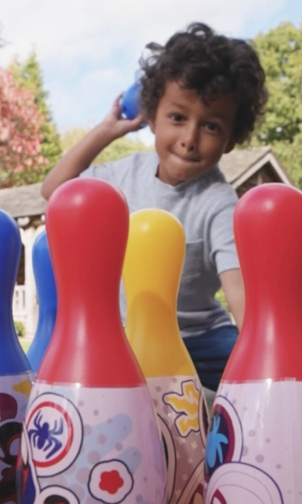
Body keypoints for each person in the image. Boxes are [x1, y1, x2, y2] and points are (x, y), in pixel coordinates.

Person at [41, 22, 267, 392]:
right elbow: (55, 192)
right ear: (151, 118)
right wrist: (108, 130)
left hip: (198, 338)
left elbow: (239, 292)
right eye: (177, 118)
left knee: (254, 367)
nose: (189, 139)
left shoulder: (220, 203)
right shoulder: (123, 175)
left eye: (211, 127)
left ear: (230, 139)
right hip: (127, 334)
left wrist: (261, 365)